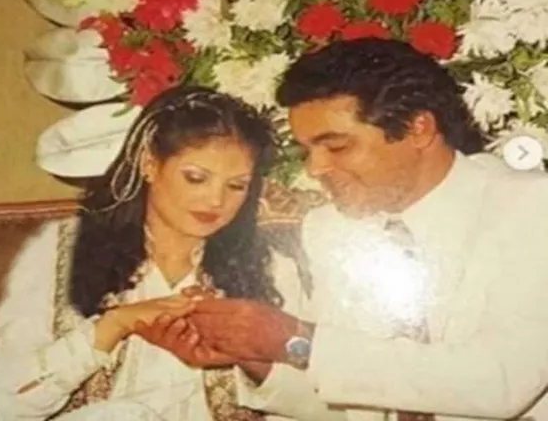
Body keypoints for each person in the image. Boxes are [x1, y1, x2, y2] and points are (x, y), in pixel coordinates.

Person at [184, 38, 548, 420]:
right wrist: (255, 354)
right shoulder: (330, 230)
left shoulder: (532, 206)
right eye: (307, 151)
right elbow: (353, 401)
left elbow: (499, 381)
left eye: (337, 147)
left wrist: (297, 339)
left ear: (418, 129)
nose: (315, 169)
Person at [0, 85, 341, 420]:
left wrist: (249, 358)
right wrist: (113, 325)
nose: (216, 200)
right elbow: (7, 401)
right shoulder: (63, 251)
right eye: (196, 178)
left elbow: (328, 404)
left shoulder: (271, 268)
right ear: (149, 164)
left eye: (236, 186)